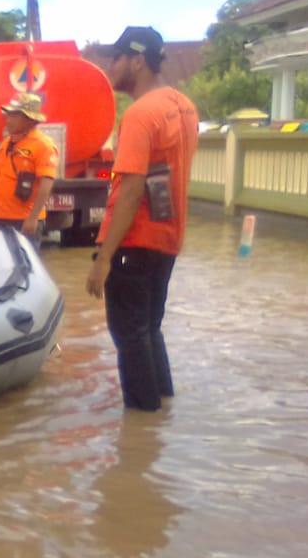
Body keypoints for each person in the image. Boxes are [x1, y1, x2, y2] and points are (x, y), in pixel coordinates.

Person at [86, 26, 199, 412]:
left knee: (129, 336)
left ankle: (142, 425)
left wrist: (103, 260)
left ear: (137, 60)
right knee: (147, 329)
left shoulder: (140, 114)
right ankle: (160, 414)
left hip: (134, 242)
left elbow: (132, 188)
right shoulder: (183, 106)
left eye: (115, 59)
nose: (109, 66)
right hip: (168, 239)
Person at [0, 92, 59, 249]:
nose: (8, 120)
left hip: (23, 220)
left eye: (15, 116)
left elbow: (46, 183)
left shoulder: (43, 145)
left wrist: (33, 218)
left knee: (24, 268)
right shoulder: (5, 144)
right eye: (8, 115)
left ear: (30, 119)